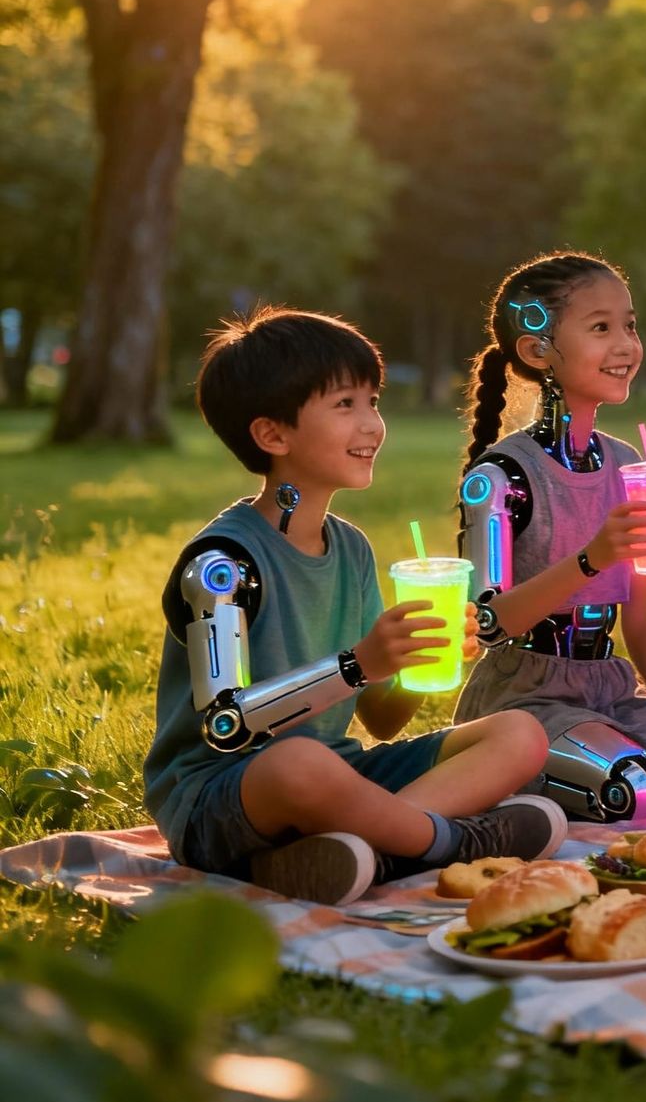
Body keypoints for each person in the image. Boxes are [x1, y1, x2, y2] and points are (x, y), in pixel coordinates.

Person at [145, 308, 565, 908]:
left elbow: (382, 720)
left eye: (373, 401)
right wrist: (359, 664)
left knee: (521, 733)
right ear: (273, 435)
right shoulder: (220, 564)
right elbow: (225, 725)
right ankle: (448, 841)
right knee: (299, 766)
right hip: (221, 798)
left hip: (340, 776)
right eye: (345, 405)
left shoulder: (351, 546)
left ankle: (357, 851)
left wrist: (418, 659)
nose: (373, 424)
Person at [453, 253, 646, 822]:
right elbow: (489, 624)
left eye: (630, 325)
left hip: (607, 689)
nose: (626, 344)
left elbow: (640, 623)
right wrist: (592, 559)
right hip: (523, 698)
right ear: (538, 351)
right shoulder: (500, 478)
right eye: (600, 327)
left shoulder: (628, 465)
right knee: (635, 788)